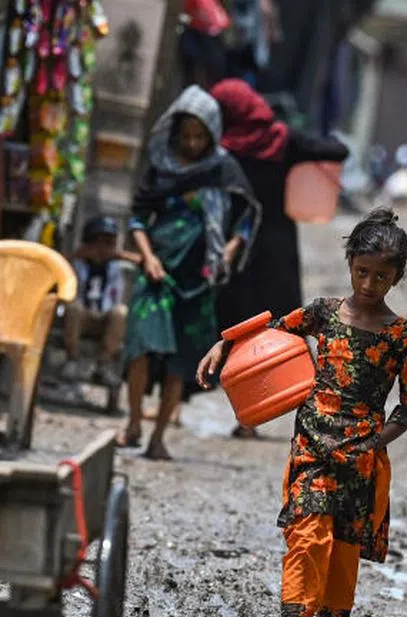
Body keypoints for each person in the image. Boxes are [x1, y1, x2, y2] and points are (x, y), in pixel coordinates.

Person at [197, 208, 407, 617]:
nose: (368, 284)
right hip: (311, 447)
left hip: (360, 461)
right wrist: (223, 343)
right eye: (362, 272)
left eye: (381, 277)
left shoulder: (403, 337)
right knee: (305, 538)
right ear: (350, 265)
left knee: (342, 554)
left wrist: (373, 442)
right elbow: (272, 332)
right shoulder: (324, 313)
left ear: (396, 277)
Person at [119, 85, 253, 461]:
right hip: (158, 273)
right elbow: (138, 218)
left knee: (180, 363)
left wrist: (227, 251)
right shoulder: (160, 167)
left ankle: (158, 437)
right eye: (187, 136)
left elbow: (244, 220)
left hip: (198, 281)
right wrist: (148, 257)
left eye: (201, 136)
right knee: (141, 348)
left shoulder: (225, 169)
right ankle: (132, 424)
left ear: (211, 134)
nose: (193, 144)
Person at [210, 78, 348, 439]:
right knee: (289, 325)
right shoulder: (282, 139)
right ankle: (323, 412)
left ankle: (248, 418)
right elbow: (336, 150)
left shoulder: (222, 146)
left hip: (236, 243)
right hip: (277, 244)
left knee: (240, 329)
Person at [61, 215, 142, 385]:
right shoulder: (77, 264)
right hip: (82, 317)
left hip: (105, 319)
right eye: (98, 242)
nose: (102, 249)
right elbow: (56, 265)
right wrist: (76, 255)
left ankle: (103, 364)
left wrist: (120, 255)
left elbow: (143, 262)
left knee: (121, 312)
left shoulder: (115, 266)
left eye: (108, 243)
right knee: (73, 307)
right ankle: (72, 359)